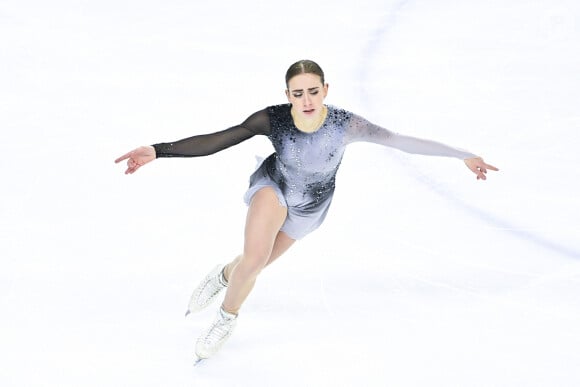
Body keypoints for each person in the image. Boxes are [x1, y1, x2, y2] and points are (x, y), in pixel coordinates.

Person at [115, 59, 499, 361]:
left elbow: (400, 141)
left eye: (313, 91)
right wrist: (158, 149)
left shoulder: (346, 124)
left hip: (311, 207)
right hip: (275, 188)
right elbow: (220, 139)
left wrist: (462, 154)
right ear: (287, 94)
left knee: (253, 265)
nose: (307, 100)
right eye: (297, 93)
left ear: (325, 89)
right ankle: (225, 319)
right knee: (254, 258)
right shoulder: (273, 119)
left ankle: (223, 275)